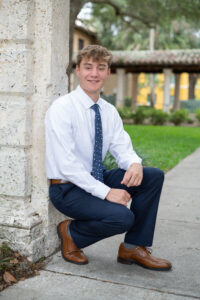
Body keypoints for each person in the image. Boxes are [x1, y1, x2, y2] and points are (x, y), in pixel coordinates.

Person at [45, 45, 172, 271]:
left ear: (108, 73)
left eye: (100, 68)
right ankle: (72, 233)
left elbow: (121, 146)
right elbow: (67, 165)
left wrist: (134, 163)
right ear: (78, 70)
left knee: (152, 176)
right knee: (122, 217)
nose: (94, 74)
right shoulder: (62, 108)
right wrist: (107, 192)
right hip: (68, 189)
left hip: (97, 177)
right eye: (88, 67)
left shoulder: (108, 111)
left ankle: (133, 247)